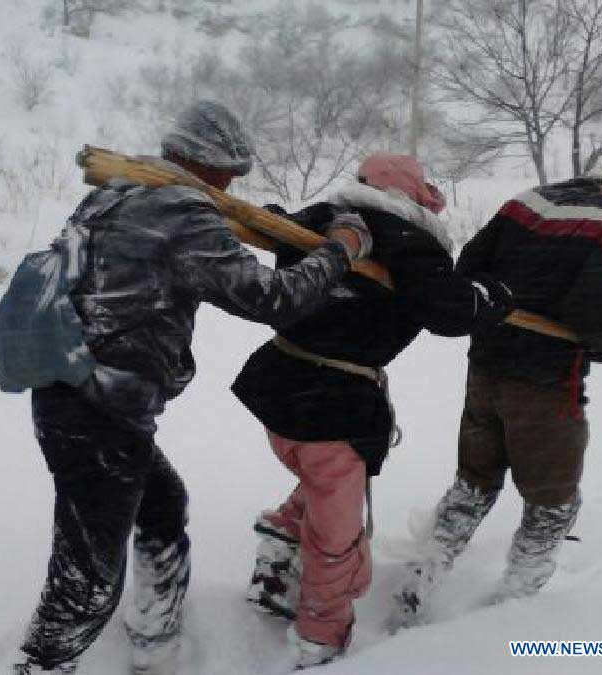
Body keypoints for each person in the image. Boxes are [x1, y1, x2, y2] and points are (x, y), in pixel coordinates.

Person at [12, 101, 373, 675]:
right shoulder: (179, 210)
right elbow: (273, 299)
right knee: (87, 576)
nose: (230, 186)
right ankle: (44, 665)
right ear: (210, 164)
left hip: (75, 394)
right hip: (99, 407)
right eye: (230, 173)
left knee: (162, 506)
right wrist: (341, 251)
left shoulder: (113, 194)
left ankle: (155, 645)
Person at [230, 153, 514, 668]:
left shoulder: (325, 215)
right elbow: (453, 312)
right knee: (337, 538)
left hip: (277, 386)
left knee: (323, 481)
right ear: (411, 194)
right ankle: (320, 637)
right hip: (330, 407)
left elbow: (279, 232)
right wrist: (498, 296)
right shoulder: (408, 240)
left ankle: (278, 549)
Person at [388, 145, 602, 630]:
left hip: (486, 367)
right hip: (547, 385)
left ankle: (422, 572)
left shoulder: (530, 199)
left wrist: (499, 309)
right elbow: (598, 312)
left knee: (473, 482)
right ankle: (517, 612)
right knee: (552, 500)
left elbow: (469, 266)